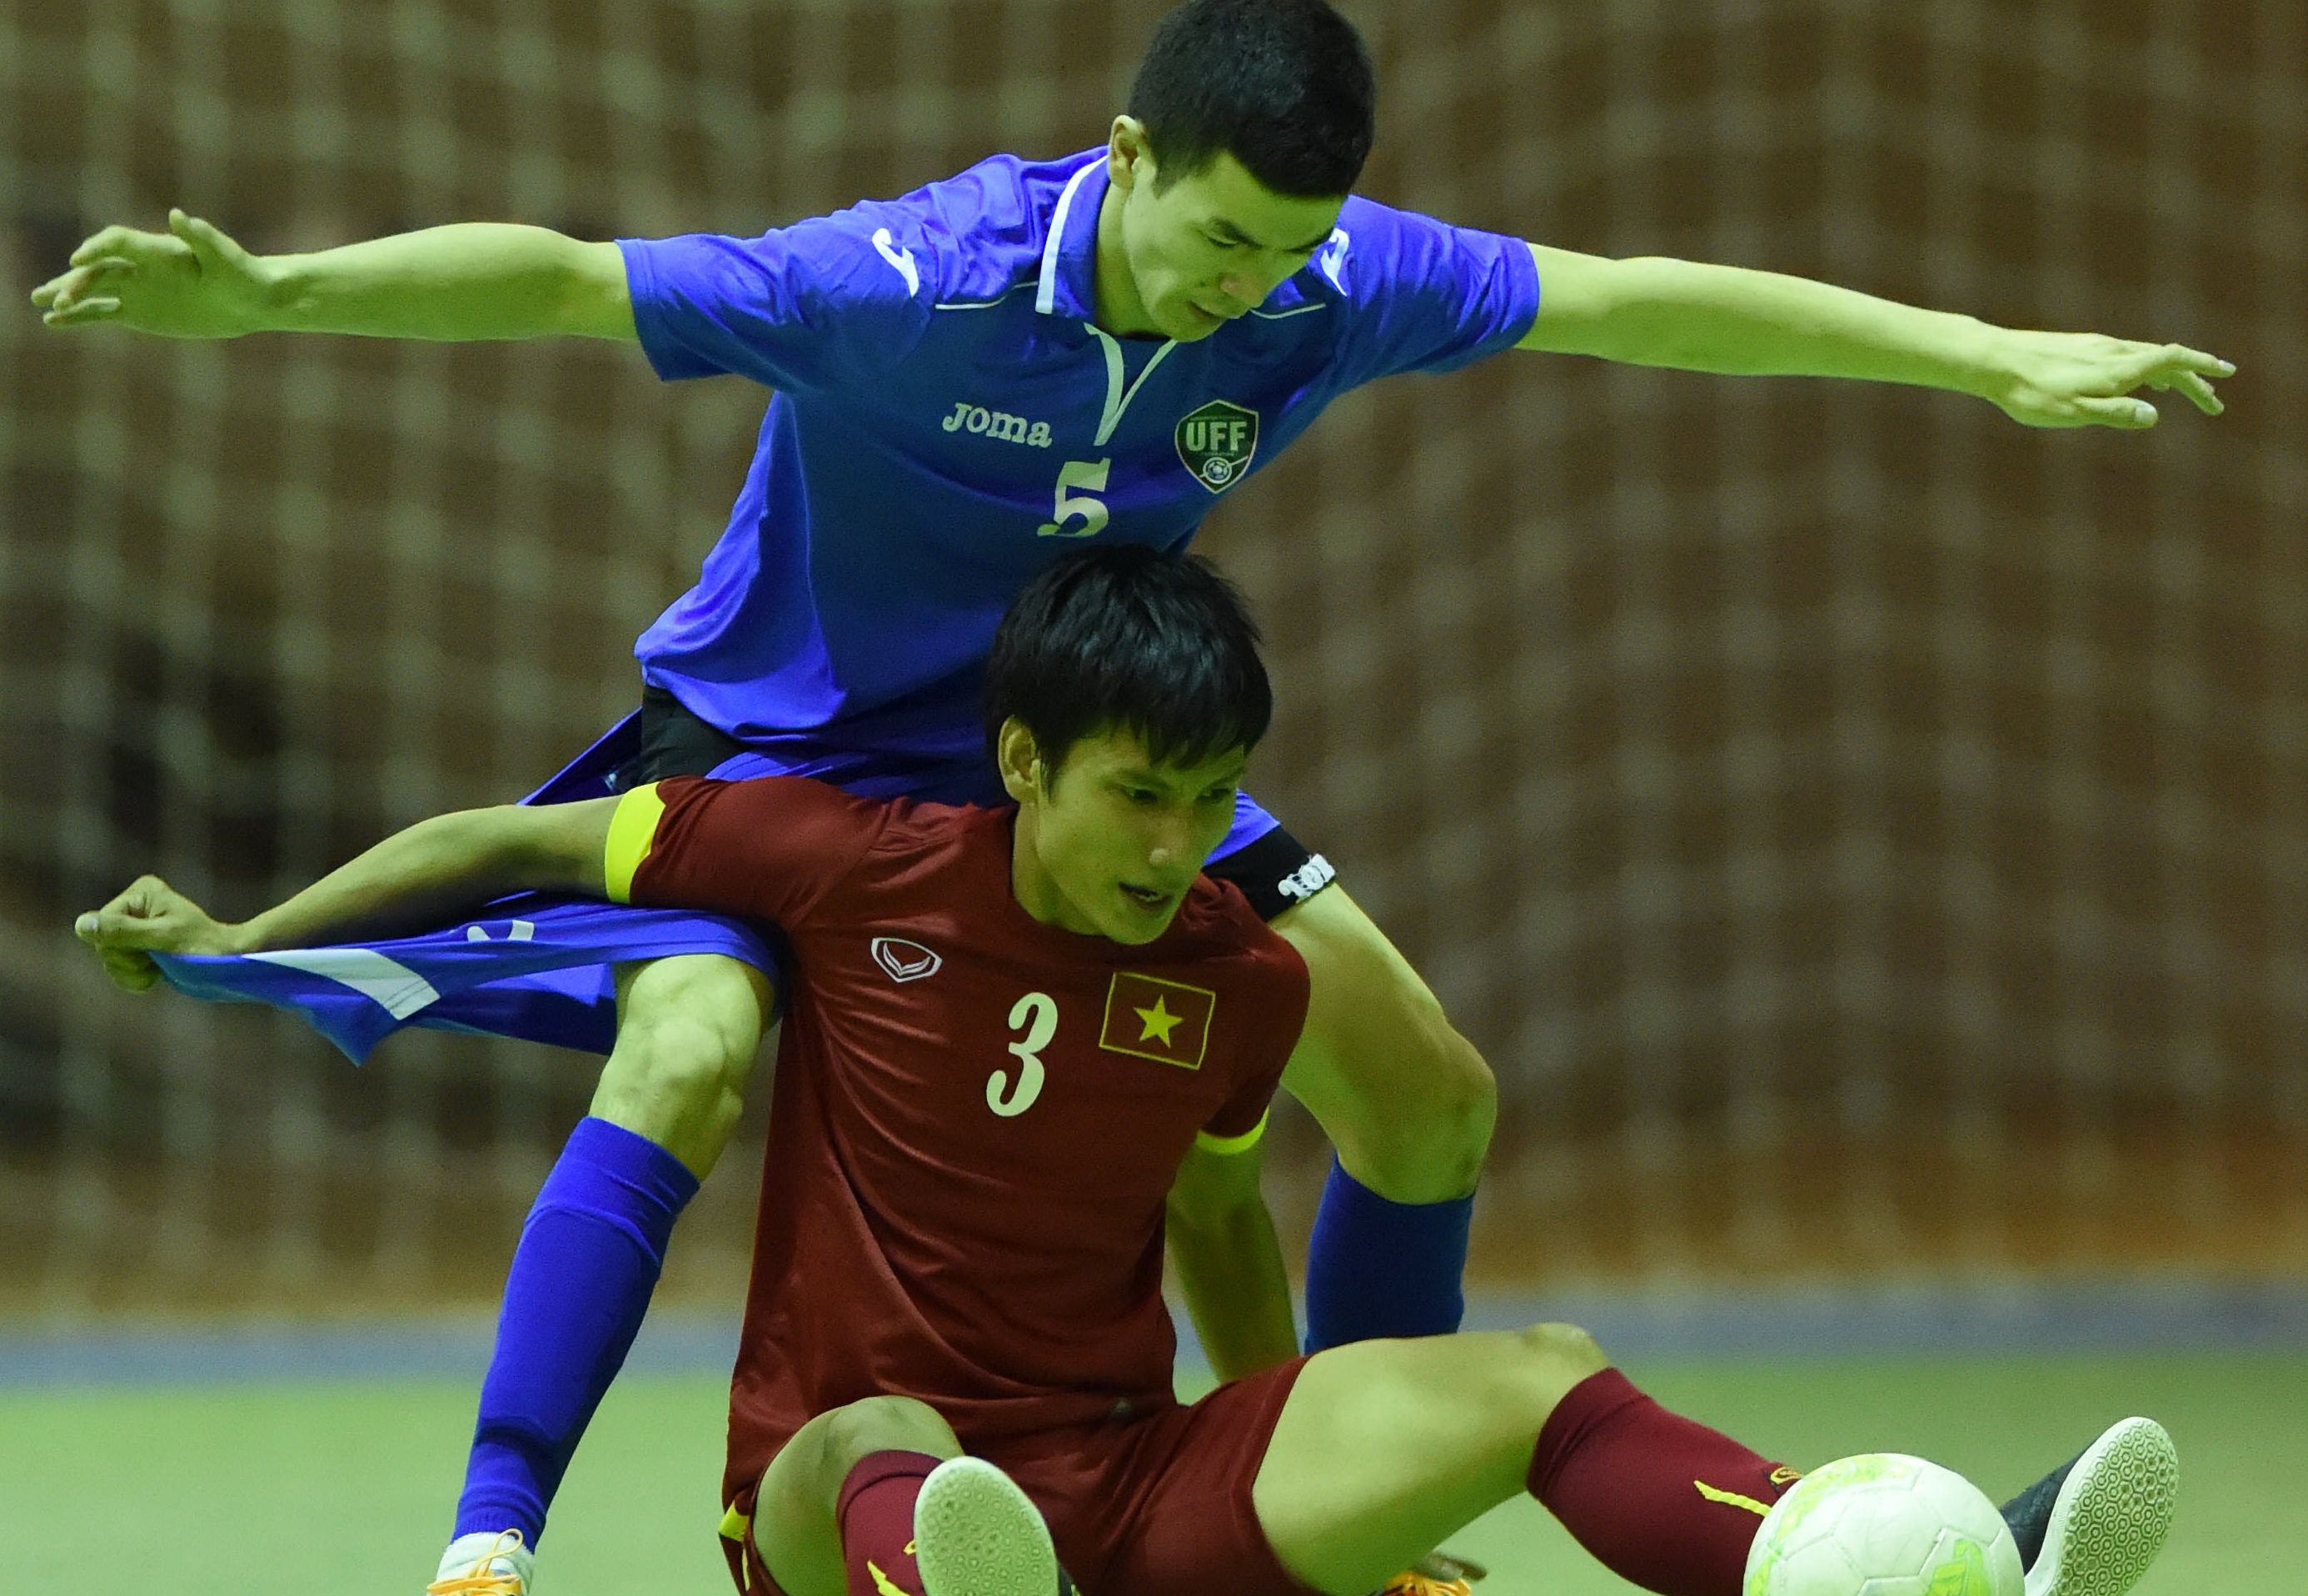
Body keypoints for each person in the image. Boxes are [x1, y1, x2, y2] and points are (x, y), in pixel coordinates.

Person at [35, 0, 2231, 1593]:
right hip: (794, 747)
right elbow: (565, 278)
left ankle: (1375, 1520)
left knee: (1426, 1088)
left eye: (1289, 261)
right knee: (697, 1038)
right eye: (1216, 247)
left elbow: (1641, 300)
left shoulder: (1318, 287)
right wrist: (272, 297)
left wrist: (1987, 354)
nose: (1247, 299)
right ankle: (489, 1534)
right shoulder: (904, 284)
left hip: (1088, 766)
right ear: (1124, 152)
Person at [80, 547, 2176, 1596]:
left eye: (1214, 802)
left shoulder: (1237, 979)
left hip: (1120, 1482)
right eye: (1139, 799)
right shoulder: (838, 861)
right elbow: (512, 840)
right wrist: (259, 937)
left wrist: (1315, 1472)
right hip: (832, 1498)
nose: (1178, 845)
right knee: (882, 1433)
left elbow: (1212, 1235)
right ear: (1023, 769)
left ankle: (1867, 1555)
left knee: (1533, 1364)